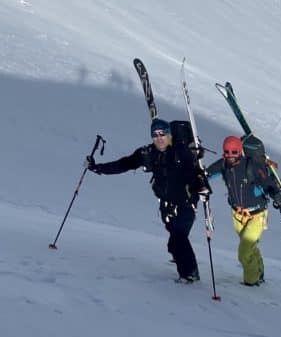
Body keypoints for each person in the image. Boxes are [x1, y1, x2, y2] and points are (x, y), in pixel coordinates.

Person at [87, 117, 210, 282]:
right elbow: (125, 164)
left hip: (186, 203)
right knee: (174, 242)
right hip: (166, 206)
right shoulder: (148, 154)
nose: (159, 138)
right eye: (155, 135)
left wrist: (203, 187)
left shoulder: (182, 152)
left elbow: (198, 172)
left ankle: (189, 274)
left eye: (163, 134)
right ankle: (181, 258)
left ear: (170, 135)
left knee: (178, 237)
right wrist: (99, 168)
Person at [205, 135, 281, 286]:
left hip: (257, 215)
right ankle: (259, 271)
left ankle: (251, 282)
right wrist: (199, 178)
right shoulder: (223, 165)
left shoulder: (251, 165)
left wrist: (276, 195)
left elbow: (267, 183)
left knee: (244, 252)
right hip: (237, 215)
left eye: (234, 152)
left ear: (240, 151)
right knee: (249, 247)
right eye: (227, 152)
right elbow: (206, 175)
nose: (230, 155)